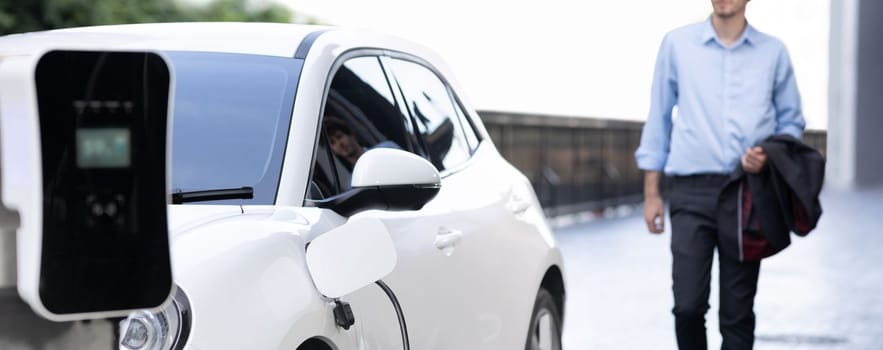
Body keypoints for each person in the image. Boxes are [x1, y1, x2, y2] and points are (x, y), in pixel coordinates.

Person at [634, 0, 805, 349]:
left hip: (747, 194)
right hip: (690, 192)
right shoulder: (677, 44)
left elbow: (792, 121)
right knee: (687, 306)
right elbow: (659, 118)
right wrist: (652, 193)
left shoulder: (773, 53)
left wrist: (769, 154)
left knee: (737, 313)